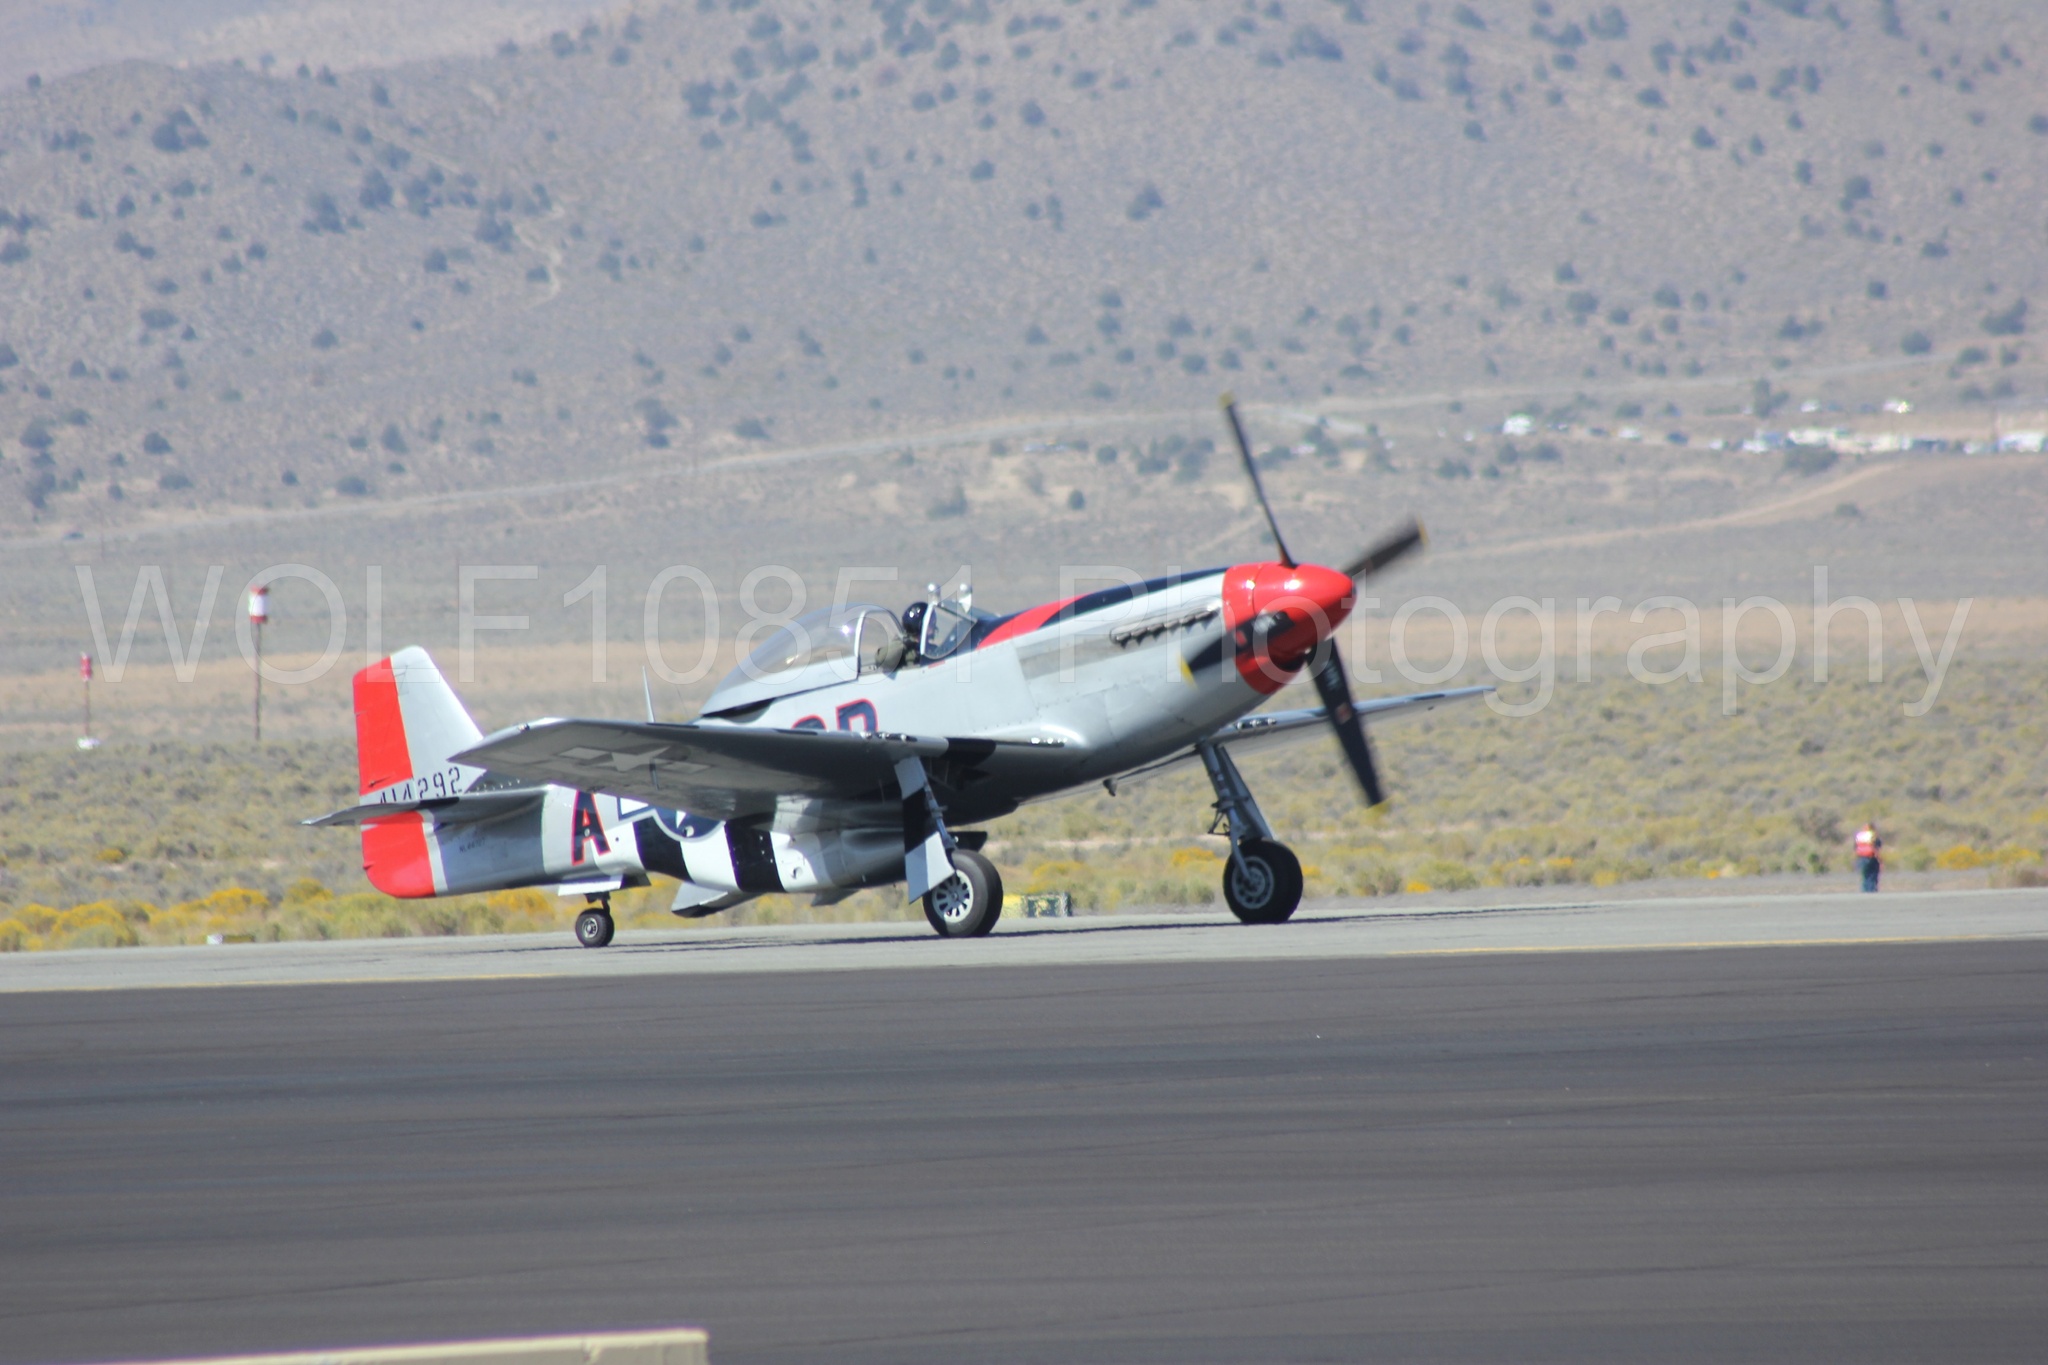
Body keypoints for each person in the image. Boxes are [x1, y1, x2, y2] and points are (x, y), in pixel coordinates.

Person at [1853, 822, 1882, 893]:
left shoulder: (1859, 836)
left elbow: (1855, 847)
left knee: (1865, 876)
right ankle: (1872, 891)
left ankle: (1865, 892)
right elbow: (1878, 846)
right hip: (1872, 857)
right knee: (1873, 876)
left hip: (1861, 857)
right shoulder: (1873, 835)